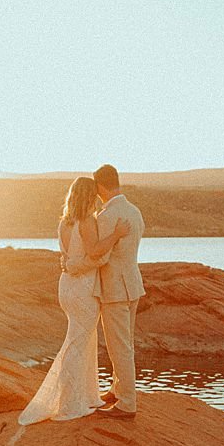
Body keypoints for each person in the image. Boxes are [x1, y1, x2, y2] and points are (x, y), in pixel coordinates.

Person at [17, 176, 128, 425]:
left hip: (67, 285)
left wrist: (73, 264)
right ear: (89, 196)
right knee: (77, 343)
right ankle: (68, 405)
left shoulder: (64, 223)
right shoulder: (86, 221)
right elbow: (95, 251)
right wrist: (116, 235)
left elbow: (70, 256)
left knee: (84, 338)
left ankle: (87, 395)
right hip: (82, 289)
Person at [79, 163, 145, 419]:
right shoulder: (135, 211)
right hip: (133, 284)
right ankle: (118, 389)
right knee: (125, 342)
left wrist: (77, 265)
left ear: (99, 187)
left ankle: (127, 403)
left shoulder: (106, 216)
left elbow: (101, 255)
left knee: (119, 347)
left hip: (115, 289)